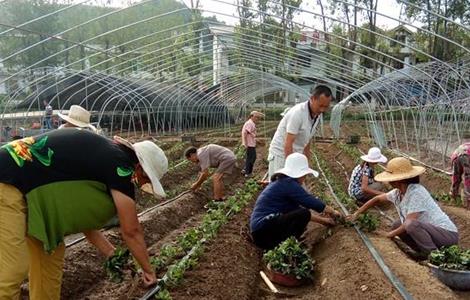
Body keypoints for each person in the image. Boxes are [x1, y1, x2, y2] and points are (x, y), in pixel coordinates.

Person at [0, 129, 168, 299]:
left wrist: (112, 254)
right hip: (7, 182)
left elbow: (85, 224)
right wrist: (148, 270)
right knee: (12, 269)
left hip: (38, 203)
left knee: (50, 263)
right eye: (146, 179)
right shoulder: (120, 165)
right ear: (140, 167)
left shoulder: (105, 159)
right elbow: (131, 230)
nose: (142, 184)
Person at [347, 157, 458, 257]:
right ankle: (422, 252)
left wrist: (389, 234)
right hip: (431, 233)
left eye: (391, 179)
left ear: (398, 180)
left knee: (410, 224)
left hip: (447, 236)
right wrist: (357, 213)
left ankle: (434, 255)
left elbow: (410, 221)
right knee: (397, 225)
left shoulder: (416, 192)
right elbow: (377, 199)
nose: (388, 181)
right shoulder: (397, 192)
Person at [250, 153, 341, 250]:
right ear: (300, 174)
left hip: (260, 233)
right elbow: (310, 202)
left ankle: (284, 245)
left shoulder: (282, 182)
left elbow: (296, 211)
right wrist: (333, 212)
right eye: (305, 175)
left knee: (301, 214)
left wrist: (324, 221)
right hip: (264, 230)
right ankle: (287, 245)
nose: (304, 178)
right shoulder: (289, 183)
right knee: (303, 214)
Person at [268, 85, 332, 179]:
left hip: (295, 155)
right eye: (320, 105)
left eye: (326, 107)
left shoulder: (316, 115)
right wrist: (291, 169)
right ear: (312, 99)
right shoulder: (298, 113)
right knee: (280, 187)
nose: (322, 109)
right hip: (281, 155)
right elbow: (288, 143)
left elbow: (307, 142)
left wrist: (305, 166)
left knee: (294, 188)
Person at [241, 111, 264, 178]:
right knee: (252, 158)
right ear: (251, 116)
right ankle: (247, 173)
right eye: (256, 117)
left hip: (251, 143)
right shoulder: (249, 123)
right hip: (249, 144)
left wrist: (255, 139)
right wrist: (244, 143)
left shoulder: (251, 123)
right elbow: (245, 133)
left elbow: (249, 134)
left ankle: (245, 170)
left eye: (258, 117)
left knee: (250, 158)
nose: (257, 118)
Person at [450, 142, 470, 210]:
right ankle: (468, 201)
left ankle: (453, 195)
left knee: (456, 177)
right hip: (466, 156)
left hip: (457, 154)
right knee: (468, 178)